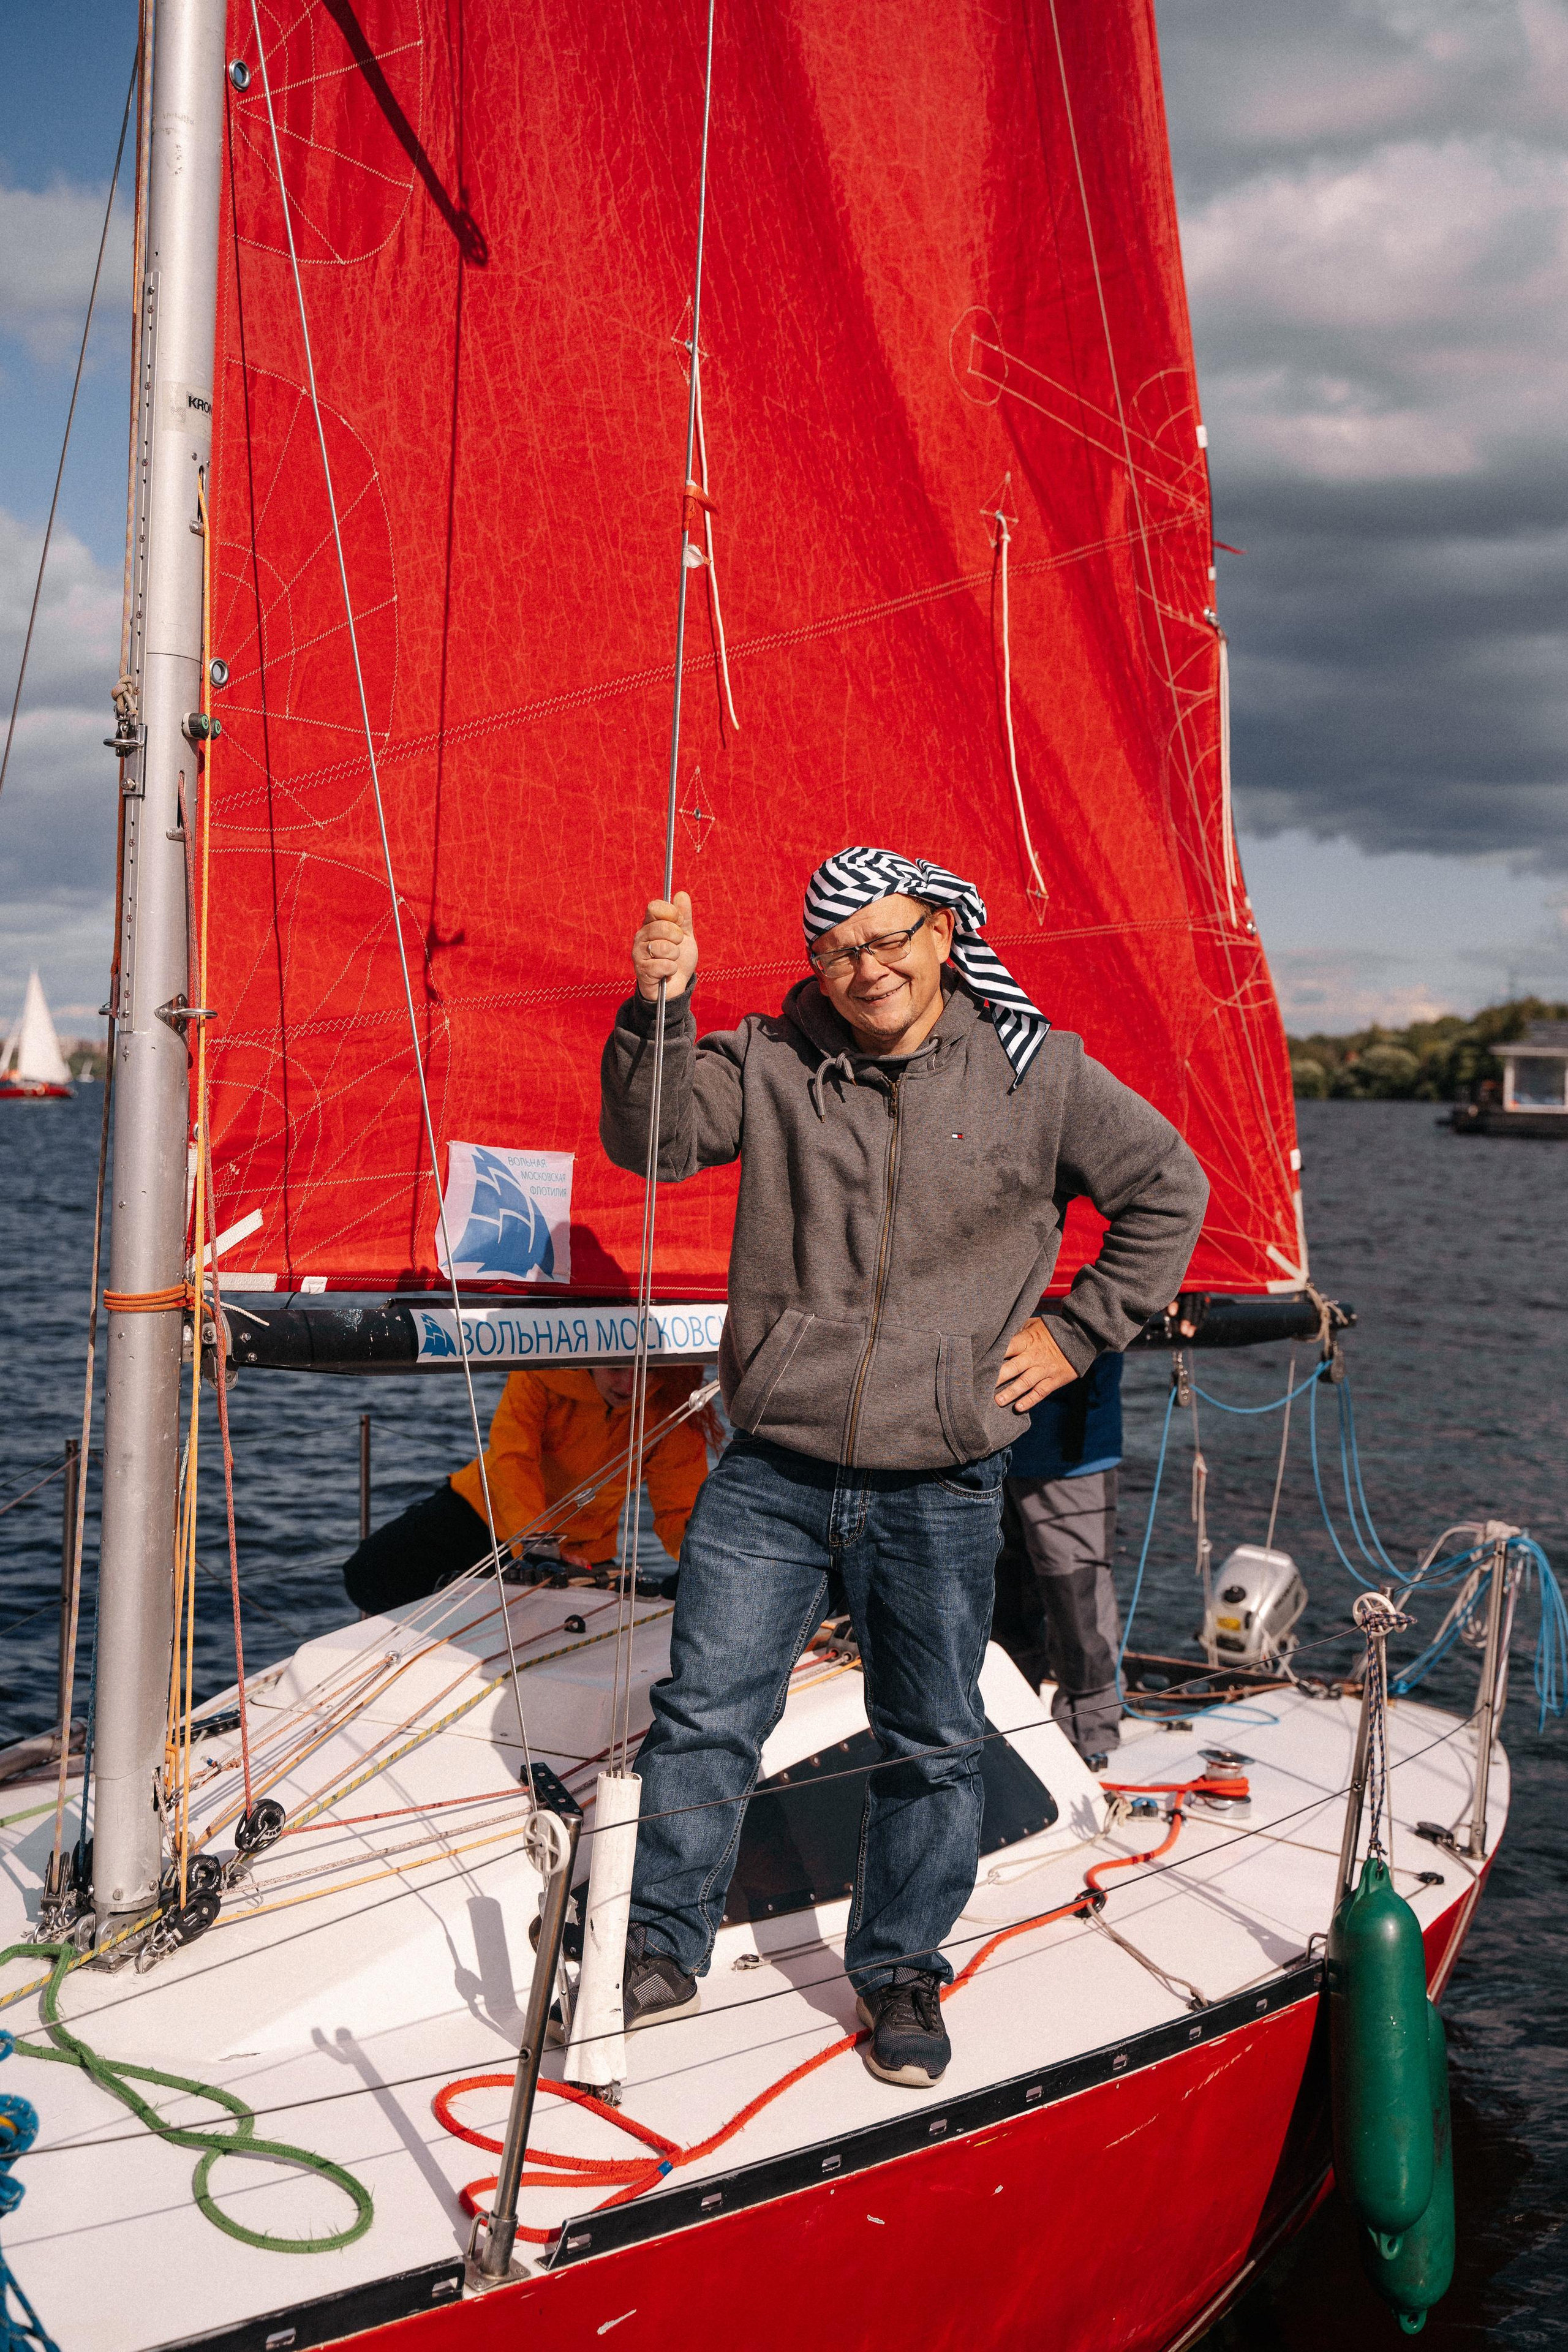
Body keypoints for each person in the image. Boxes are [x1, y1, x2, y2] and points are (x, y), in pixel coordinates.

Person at [599, 846, 1207, 2089]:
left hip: (938, 1473)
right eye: (836, 949)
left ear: (941, 935)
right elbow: (653, 1142)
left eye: (886, 942)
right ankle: (660, 1943)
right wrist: (656, 1008)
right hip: (770, 1462)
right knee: (708, 1713)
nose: (863, 969)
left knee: (930, 1736)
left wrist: (1077, 1332)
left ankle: (895, 1971)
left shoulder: (1039, 1073)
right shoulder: (767, 1060)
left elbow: (1166, 1189)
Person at [341, 1363, 710, 1616]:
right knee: (369, 1573)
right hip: (485, 1510)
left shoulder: (673, 1403)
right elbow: (514, 1458)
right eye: (615, 1368)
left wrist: (700, 1562)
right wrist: (537, 1544)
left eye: (640, 1372)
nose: (626, 1385)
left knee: (567, 1633)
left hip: (581, 1547)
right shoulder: (540, 1371)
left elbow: (679, 1507)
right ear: (593, 1360)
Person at [991, 1351, 1125, 1768]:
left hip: (1071, 1449)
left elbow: (1154, 1287)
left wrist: (1193, 1298)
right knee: (998, 1606)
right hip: (981, 1449)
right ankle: (1001, 1728)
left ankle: (1090, 1742)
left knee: (1077, 1606)